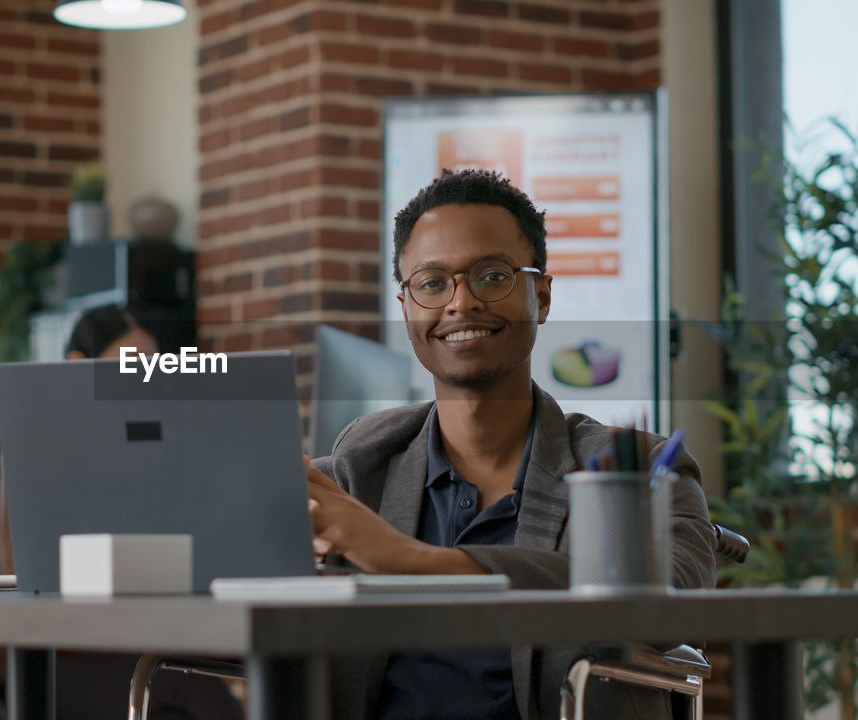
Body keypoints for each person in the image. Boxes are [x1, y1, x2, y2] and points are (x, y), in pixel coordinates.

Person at [305, 169, 717, 720]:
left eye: (492, 276)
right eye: (431, 283)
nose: (460, 303)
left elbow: (672, 601)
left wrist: (407, 560)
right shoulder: (361, 470)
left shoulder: (635, 472)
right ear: (406, 309)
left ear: (541, 297)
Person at [0, 304, 243, 720]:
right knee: (198, 693)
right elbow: (23, 576)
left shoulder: (150, 452)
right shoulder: (37, 446)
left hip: (137, 643)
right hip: (59, 652)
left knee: (197, 684)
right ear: (78, 367)